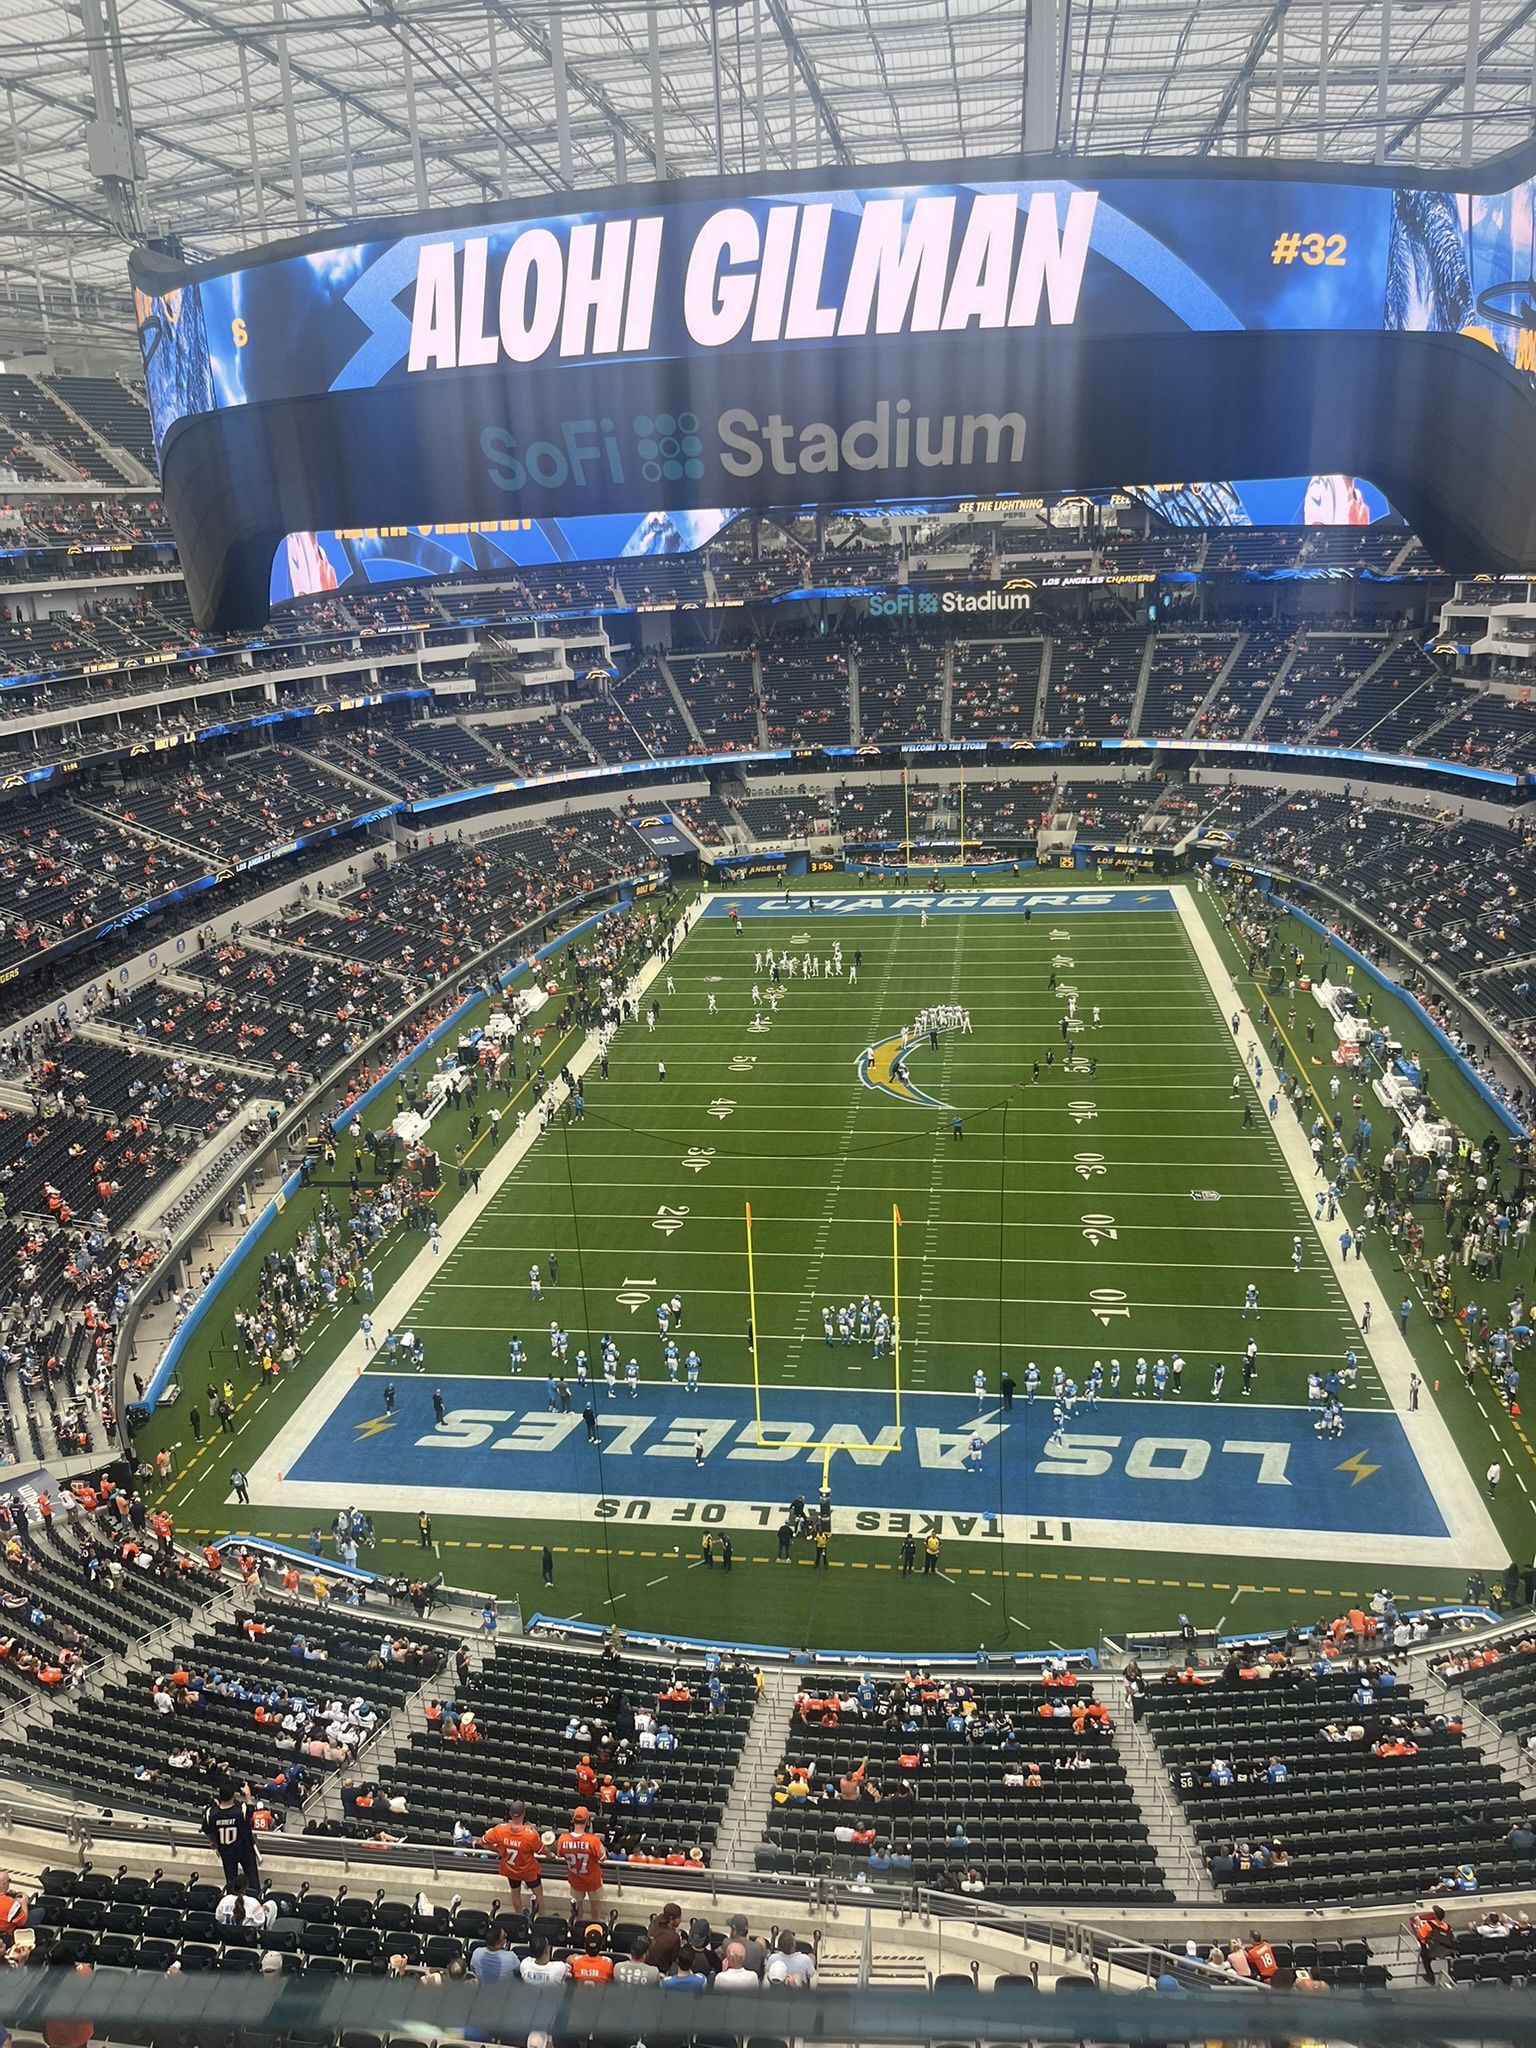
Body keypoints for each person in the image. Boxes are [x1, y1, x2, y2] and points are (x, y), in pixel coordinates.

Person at [478, 1800, 544, 1912]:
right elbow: (541, 1850)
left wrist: (498, 1850)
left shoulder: (500, 1830)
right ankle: (542, 1917)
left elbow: (482, 1842)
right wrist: (550, 1854)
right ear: (524, 1814)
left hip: (511, 1869)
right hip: (528, 1870)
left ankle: (519, 1916)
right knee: (538, 1893)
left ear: (510, 1814)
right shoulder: (530, 1834)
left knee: (515, 1892)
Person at [203, 1779, 261, 1895]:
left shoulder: (211, 1813)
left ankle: (232, 1902)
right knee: (252, 1880)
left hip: (226, 1851)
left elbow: (207, 1830)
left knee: (231, 1882)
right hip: (244, 1849)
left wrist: (213, 1843)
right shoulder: (241, 1811)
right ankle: (255, 1900)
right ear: (233, 1795)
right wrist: (248, 1794)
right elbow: (251, 1807)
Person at [557, 1805, 606, 1919]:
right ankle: (596, 1924)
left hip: (575, 1879)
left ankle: (579, 1924)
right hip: (593, 1880)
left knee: (578, 1904)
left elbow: (560, 1854)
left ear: (573, 1820)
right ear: (587, 1821)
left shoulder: (563, 1839)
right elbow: (603, 1857)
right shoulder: (593, 1840)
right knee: (595, 1903)